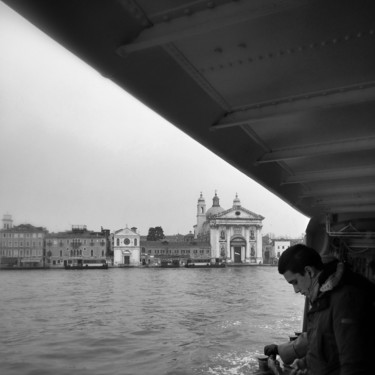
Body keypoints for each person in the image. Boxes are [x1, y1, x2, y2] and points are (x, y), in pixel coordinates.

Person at [265, 244, 375, 375]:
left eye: (295, 282)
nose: (296, 290)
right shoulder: (323, 299)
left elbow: (354, 366)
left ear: (309, 272)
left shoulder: (345, 300)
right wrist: (301, 365)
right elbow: (323, 350)